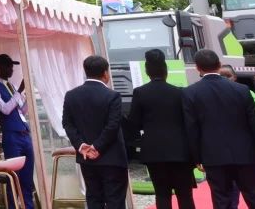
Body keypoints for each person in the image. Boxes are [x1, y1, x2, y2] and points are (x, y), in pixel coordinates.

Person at [182, 49, 255, 209]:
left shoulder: (190, 93)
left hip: (213, 155)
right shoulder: (241, 89)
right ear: (219, 64)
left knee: (221, 200)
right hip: (246, 153)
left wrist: (197, 157)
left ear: (197, 68)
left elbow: (191, 128)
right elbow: (254, 124)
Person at [126, 49, 195, 209]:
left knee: (162, 193)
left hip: (154, 150)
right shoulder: (180, 92)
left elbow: (134, 122)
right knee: (185, 194)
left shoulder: (140, 93)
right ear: (166, 70)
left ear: (147, 71)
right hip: (180, 150)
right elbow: (189, 122)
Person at [62, 55, 127, 209]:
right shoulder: (112, 96)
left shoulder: (71, 95)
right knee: (115, 200)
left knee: (94, 198)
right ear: (105, 73)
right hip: (112, 158)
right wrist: (97, 147)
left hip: (86, 159)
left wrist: (81, 145)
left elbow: (67, 124)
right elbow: (113, 126)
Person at [0, 53, 35, 209]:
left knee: (27, 179)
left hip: (25, 134)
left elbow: (21, 111)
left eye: (12, 67)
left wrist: (28, 96)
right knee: (13, 178)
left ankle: (28, 206)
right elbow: (5, 109)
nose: (11, 70)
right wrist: (19, 91)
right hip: (12, 136)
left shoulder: (11, 86)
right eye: (9, 66)